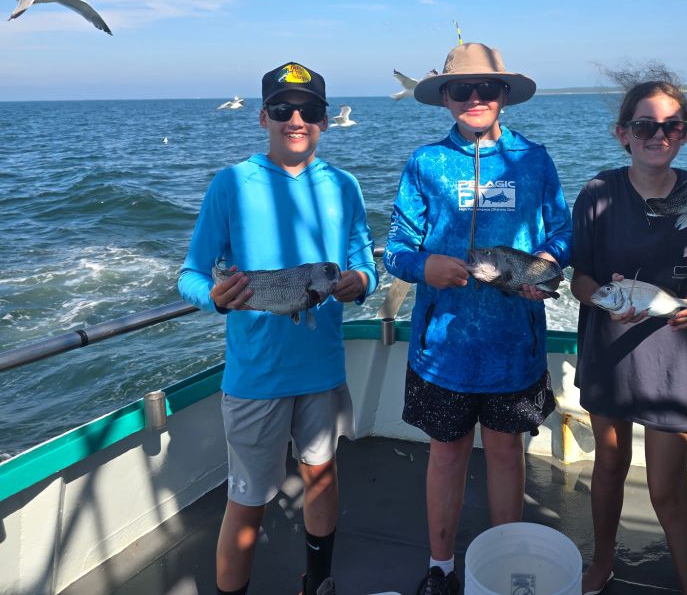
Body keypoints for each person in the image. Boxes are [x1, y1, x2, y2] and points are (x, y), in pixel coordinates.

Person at [178, 62, 378, 595]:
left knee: (322, 477)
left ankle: (318, 583)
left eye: (309, 110)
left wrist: (358, 281)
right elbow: (191, 274)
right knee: (246, 500)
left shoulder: (344, 185)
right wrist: (214, 298)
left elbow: (365, 264)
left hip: (321, 367)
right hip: (256, 375)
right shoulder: (231, 184)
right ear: (263, 117)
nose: (296, 119)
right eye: (284, 109)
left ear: (325, 121)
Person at [383, 42, 572, 595]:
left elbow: (562, 232)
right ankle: (441, 566)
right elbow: (395, 248)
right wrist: (425, 266)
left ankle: (506, 563)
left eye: (485, 89)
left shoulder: (534, 159)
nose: (474, 98)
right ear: (445, 98)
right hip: (443, 349)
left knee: (508, 452)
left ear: (503, 95)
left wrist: (542, 267)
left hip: (515, 347)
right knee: (446, 456)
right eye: (460, 89)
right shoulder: (424, 162)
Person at [570, 71, 687, 595]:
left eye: (672, 126)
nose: (658, 135)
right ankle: (602, 559)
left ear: (685, 133)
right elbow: (580, 278)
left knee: (667, 491)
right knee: (609, 464)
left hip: (670, 357)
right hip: (609, 348)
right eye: (645, 126)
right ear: (623, 134)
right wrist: (601, 300)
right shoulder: (597, 193)